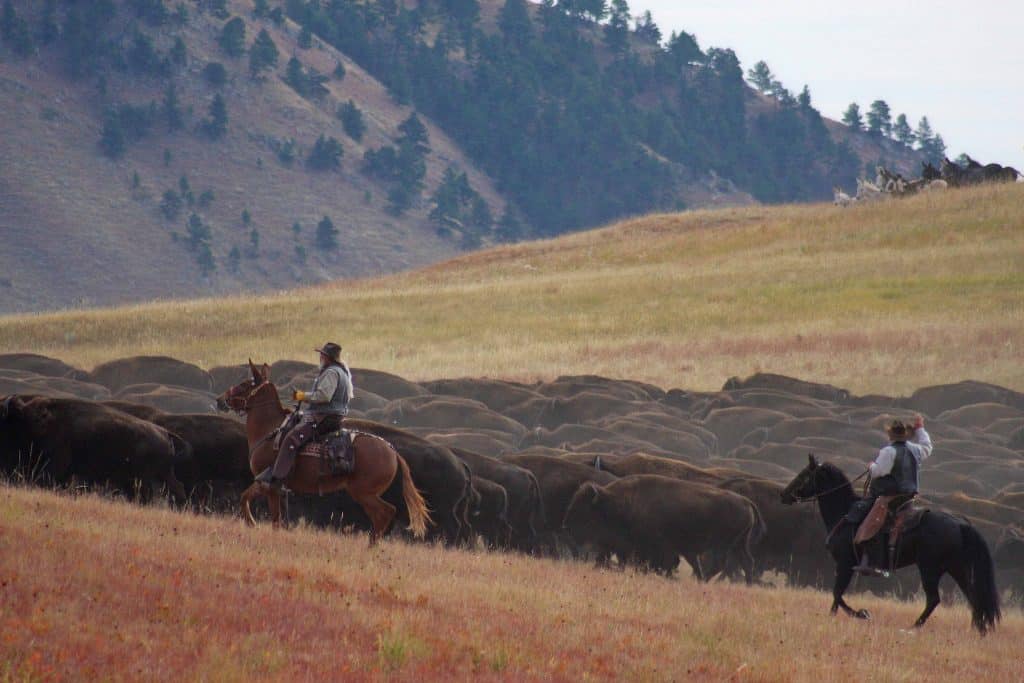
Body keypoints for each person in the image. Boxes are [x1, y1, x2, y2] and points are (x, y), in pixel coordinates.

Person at [255, 342, 354, 488]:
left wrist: (302, 396)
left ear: (327, 357)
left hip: (324, 417)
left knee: (291, 439)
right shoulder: (342, 372)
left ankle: (277, 479)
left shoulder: (332, 372)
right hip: (331, 415)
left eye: (322, 354)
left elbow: (324, 396)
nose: (320, 357)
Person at [847, 413, 932, 574]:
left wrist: (871, 466)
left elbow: (879, 471)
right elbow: (928, 446)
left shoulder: (888, 451)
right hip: (908, 498)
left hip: (890, 497)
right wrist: (920, 429)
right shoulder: (916, 449)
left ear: (890, 434)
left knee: (870, 523)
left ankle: (871, 563)